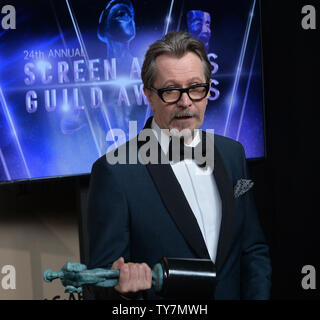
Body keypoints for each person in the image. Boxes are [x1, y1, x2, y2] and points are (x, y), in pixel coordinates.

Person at [86, 31, 271, 300]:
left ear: (208, 88)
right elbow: (100, 285)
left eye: (196, 88)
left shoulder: (233, 154)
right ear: (148, 94)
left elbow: (253, 249)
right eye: (171, 90)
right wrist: (122, 291)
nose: (185, 102)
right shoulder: (115, 171)